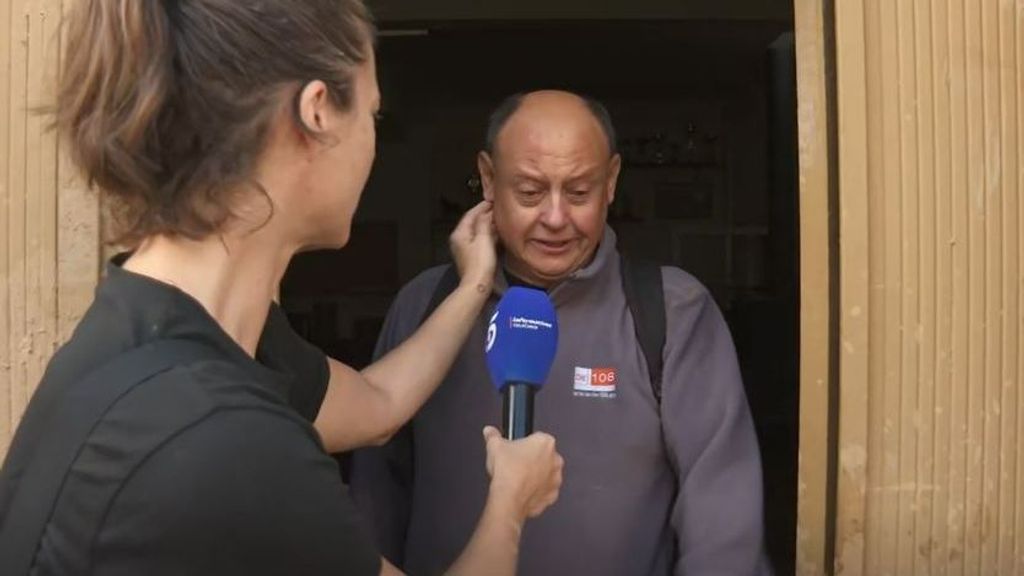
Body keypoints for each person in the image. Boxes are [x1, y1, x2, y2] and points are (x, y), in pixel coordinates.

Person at [0, 2, 563, 575]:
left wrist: (474, 284)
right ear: (317, 112)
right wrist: (511, 504)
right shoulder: (226, 442)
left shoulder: (167, 326)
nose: (374, 144)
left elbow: (379, 405)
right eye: (372, 115)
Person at [351, 90, 770, 575]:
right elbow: (376, 499)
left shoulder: (673, 313)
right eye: (529, 192)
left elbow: (724, 522)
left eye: (578, 192)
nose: (555, 218)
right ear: (488, 179)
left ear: (611, 181)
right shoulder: (424, 307)